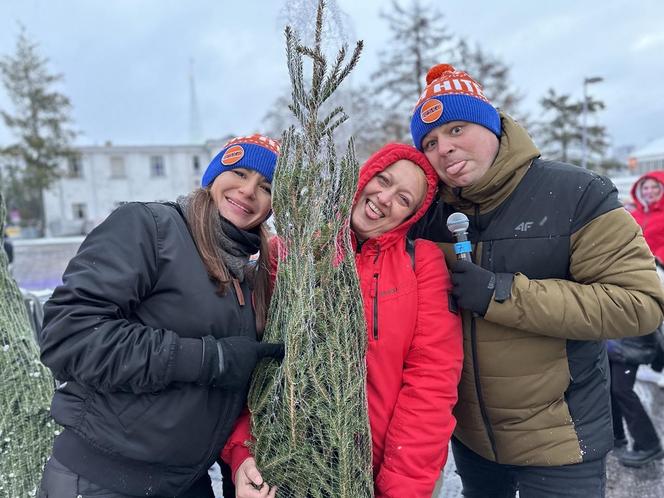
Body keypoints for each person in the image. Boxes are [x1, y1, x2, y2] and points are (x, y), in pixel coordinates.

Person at [407, 64, 664, 497]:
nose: (444, 149)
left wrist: (500, 293)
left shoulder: (576, 193)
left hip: (561, 445)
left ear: (493, 124)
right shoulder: (425, 214)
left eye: (456, 129)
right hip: (472, 443)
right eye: (429, 142)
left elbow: (639, 304)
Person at [38, 134, 285, 498]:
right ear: (215, 175)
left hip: (188, 483)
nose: (248, 191)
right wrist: (208, 359)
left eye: (265, 187)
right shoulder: (151, 228)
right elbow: (69, 336)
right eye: (240, 172)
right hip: (103, 481)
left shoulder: (248, 272)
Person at [222, 143, 464, 498]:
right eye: (383, 180)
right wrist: (244, 452)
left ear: (410, 216)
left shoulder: (421, 265)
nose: (384, 198)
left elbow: (431, 382)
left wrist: (400, 489)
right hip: (284, 466)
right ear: (364, 177)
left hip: (372, 475)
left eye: (403, 199)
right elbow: (261, 360)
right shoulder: (292, 252)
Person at [607, 332, 663, 467]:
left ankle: (649, 445)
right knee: (611, 388)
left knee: (622, 390)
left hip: (630, 342)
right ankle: (617, 436)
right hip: (616, 340)